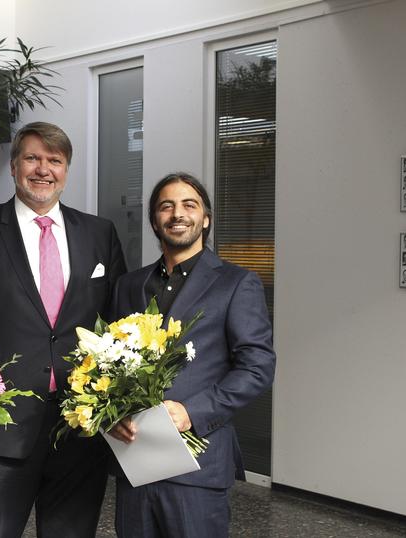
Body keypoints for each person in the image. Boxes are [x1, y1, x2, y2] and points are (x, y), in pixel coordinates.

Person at [0, 122, 127, 538]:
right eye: (32, 158)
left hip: (78, 427)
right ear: (13, 167)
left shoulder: (100, 234)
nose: (42, 169)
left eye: (55, 160)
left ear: (66, 170)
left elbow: (116, 323)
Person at [109, 172, 276, 537]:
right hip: (134, 461)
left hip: (198, 466)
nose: (177, 214)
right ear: (155, 220)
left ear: (206, 218)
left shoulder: (236, 283)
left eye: (189, 205)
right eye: (166, 206)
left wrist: (191, 412)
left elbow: (258, 367)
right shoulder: (128, 285)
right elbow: (111, 362)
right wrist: (113, 415)